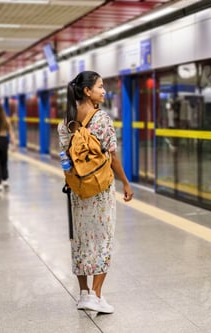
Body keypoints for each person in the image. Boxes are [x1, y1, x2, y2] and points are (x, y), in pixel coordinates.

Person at [57, 71, 133, 314]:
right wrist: (126, 183)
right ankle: (97, 296)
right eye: (100, 86)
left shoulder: (65, 123)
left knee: (79, 239)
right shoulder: (102, 119)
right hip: (100, 190)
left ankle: (83, 293)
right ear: (87, 91)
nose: (104, 91)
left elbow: (64, 158)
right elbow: (112, 157)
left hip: (77, 190)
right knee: (103, 239)